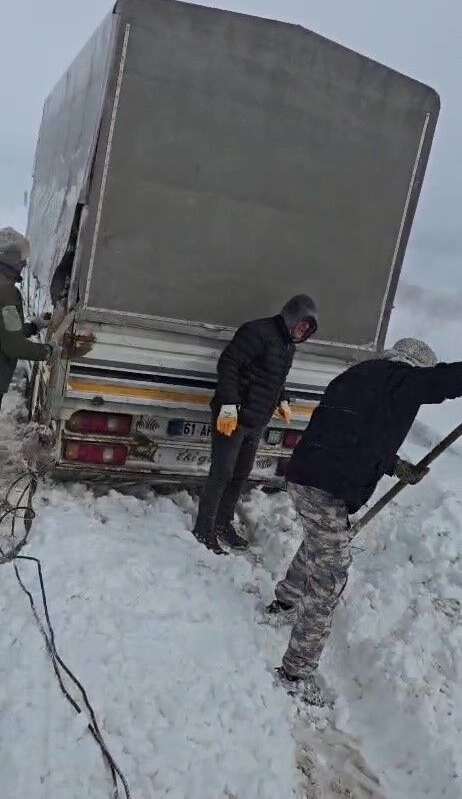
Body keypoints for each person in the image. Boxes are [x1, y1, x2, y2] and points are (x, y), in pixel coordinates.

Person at [268, 337, 462, 704]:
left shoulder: (356, 377)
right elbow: (444, 381)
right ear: (413, 366)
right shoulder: (400, 380)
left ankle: (284, 601)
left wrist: (395, 466)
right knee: (331, 573)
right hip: (326, 487)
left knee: (321, 541)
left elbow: (357, 436)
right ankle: (295, 672)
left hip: (306, 476)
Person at [192, 295, 318, 554]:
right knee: (222, 473)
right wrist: (228, 403)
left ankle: (222, 523)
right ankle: (203, 529)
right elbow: (228, 363)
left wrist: (282, 399)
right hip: (233, 416)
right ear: (292, 317)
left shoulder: (287, 346)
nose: (303, 332)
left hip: (255, 420)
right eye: (302, 325)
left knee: (240, 475)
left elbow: (273, 378)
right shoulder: (257, 332)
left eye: (308, 329)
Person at [0, 228, 92, 510]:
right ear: (10, 259)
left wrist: (34, 326)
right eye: (21, 260)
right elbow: (13, 346)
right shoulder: (4, 292)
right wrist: (49, 352)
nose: (24, 265)